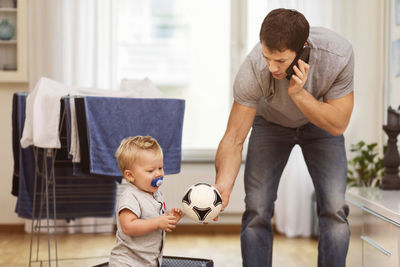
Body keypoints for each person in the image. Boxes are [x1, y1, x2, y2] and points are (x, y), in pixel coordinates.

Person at [214, 8, 354, 267]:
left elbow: (338, 124)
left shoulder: (338, 55)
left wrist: (299, 95)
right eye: (267, 57)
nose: (272, 67)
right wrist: (223, 184)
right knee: (257, 208)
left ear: (302, 49)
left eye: (280, 61)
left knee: (334, 209)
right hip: (270, 124)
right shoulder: (255, 67)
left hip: (320, 122)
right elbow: (234, 138)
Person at [109, 136, 183, 267]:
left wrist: (169, 218)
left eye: (160, 168)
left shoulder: (156, 194)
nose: (158, 174)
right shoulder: (130, 196)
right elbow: (128, 226)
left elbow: (154, 219)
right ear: (130, 175)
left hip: (148, 261)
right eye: (151, 170)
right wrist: (157, 223)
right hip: (127, 262)